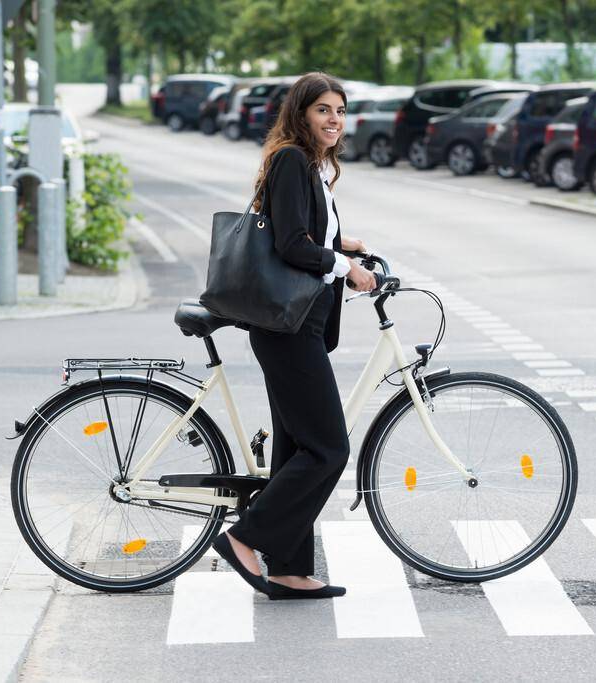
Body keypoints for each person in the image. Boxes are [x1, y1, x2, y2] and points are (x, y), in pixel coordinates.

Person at [211, 72, 378, 600]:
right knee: (329, 449)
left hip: (296, 324)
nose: (334, 120)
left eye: (341, 111)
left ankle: (287, 569)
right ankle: (245, 537)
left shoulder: (308, 166)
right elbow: (290, 245)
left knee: (296, 449)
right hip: (287, 328)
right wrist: (343, 265)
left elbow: (303, 230)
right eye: (323, 110)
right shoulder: (289, 159)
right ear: (301, 113)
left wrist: (342, 242)